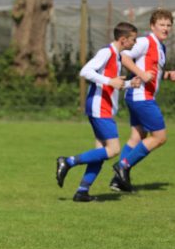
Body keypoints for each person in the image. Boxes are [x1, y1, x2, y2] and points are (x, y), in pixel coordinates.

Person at [56, 22, 140, 202]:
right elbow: (85, 71)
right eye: (133, 39)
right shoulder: (106, 52)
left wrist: (128, 84)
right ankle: (68, 161)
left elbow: (112, 83)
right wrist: (110, 81)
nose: (135, 42)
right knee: (114, 149)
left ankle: (82, 191)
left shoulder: (117, 56)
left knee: (101, 152)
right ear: (123, 40)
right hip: (99, 107)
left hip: (104, 108)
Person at [110, 9, 175, 192]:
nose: (165, 28)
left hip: (139, 96)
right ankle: (123, 166)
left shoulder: (160, 46)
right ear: (152, 26)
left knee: (136, 137)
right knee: (159, 137)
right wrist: (141, 75)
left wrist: (166, 75)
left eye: (168, 25)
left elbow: (151, 72)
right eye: (161, 25)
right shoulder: (145, 41)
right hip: (142, 97)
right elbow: (124, 57)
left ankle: (118, 180)